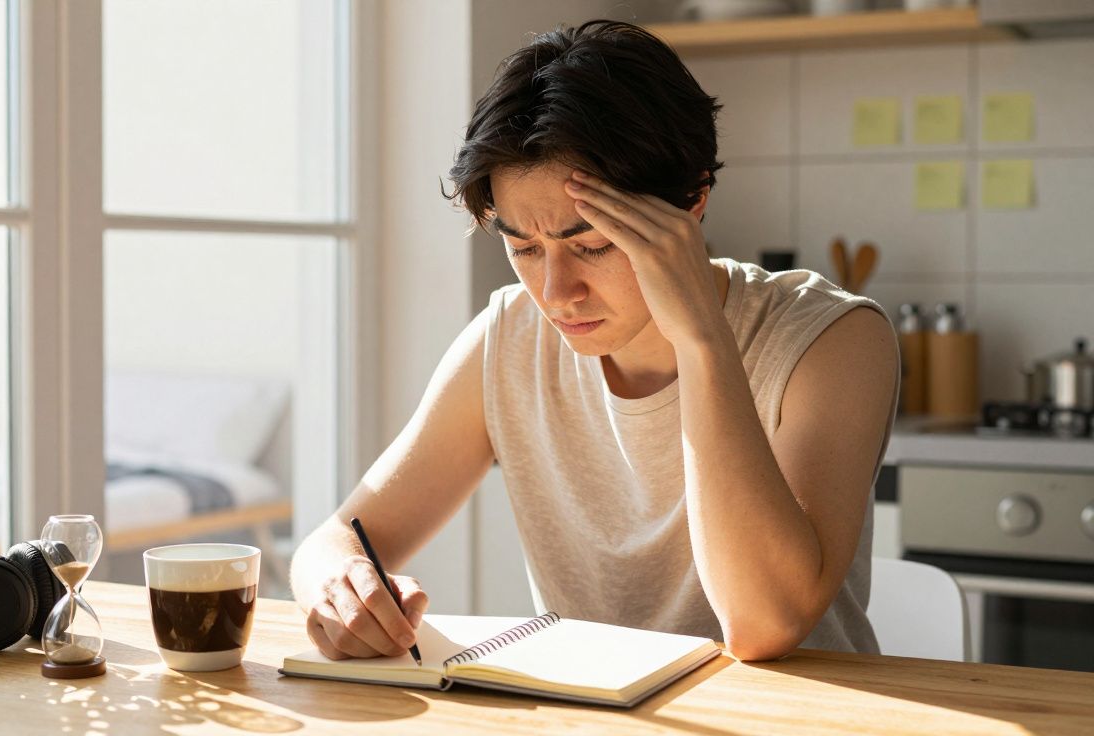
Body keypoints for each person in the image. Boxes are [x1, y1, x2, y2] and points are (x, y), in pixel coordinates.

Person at [289, 19, 898, 662]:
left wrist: (701, 342)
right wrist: (340, 586)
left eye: (592, 245)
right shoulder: (510, 337)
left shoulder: (832, 339)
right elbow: (337, 538)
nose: (555, 291)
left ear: (691, 203)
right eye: (522, 247)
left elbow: (762, 625)